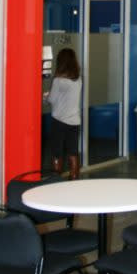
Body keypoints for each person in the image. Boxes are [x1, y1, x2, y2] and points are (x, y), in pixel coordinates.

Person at [47, 47, 82, 179]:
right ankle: (74, 177)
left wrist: (46, 97)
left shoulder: (58, 81)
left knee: (57, 151)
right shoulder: (78, 80)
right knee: (73, 151)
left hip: (59, 121)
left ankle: (56, 179)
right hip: (74, 121)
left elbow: (52, 99)